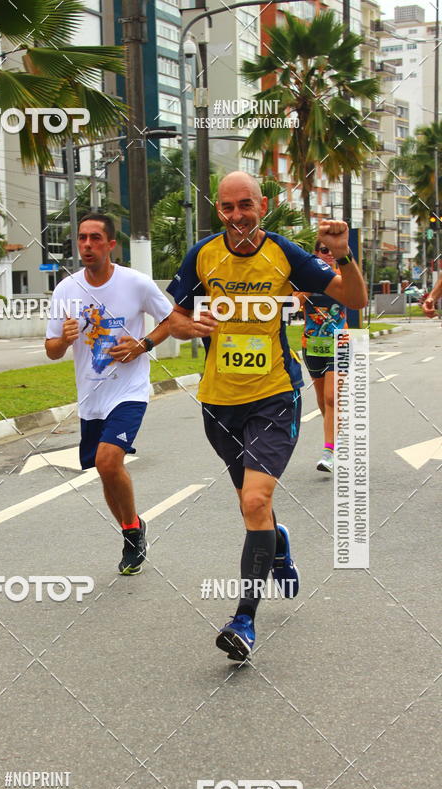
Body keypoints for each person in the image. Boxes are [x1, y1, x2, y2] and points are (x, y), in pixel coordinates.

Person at [167, 172, 368, 662]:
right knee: (250, 507)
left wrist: (342, 254)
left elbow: (356, 299)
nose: (238, 215)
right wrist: (189, 325)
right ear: (219, 210)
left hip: (275, 396)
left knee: (256, 500)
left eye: (246, 205)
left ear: (263, 205)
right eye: (228, 207)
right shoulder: (202, 255)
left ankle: (244, 621)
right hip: (218, 402)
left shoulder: (283, 253)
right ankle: (277, 544)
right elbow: (170, 317)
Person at [45, 213, 173, 575]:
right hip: (91, 397)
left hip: (129, 390)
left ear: (111, 244)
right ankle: (132, 528)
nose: (87, 245)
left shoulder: (136, 283)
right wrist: (64, 339)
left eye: (95, 238)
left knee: (107, 460)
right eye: (82, 238)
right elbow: (52, 350)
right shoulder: (65, 290)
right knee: (104, 470)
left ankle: (132, 534)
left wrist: (143, 344)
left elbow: (172, 321)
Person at [299, 239, 348, 474]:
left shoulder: (342, 276)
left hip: (340, 343)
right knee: (322, 399)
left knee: (331, 397)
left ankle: (328, 452)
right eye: (323, 251)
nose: (328, 255)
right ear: (316, 253)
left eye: (332, 251)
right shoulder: (305, 278)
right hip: (312, 345)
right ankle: (334, 435)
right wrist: (307, 287)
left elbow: (356, 297)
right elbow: (294, 302)